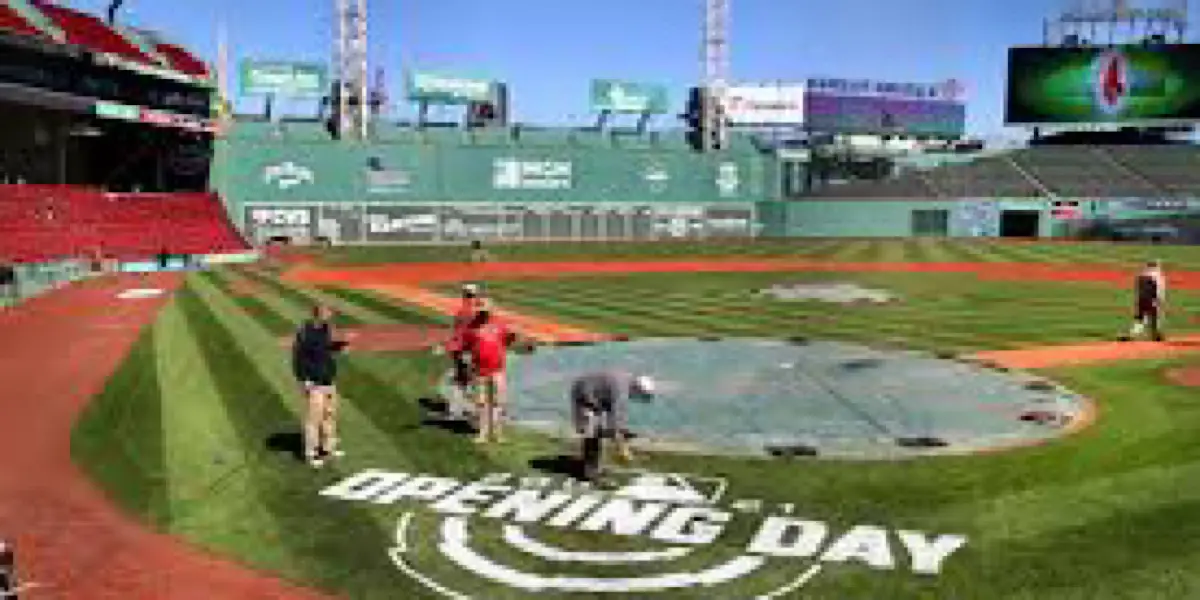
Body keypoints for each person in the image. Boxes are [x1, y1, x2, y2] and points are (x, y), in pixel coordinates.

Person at [292, 304, 350, 468]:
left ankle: (328, 448)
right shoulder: (305, 331)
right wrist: (304, 379)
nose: (330, 316)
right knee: (314, 418)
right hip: (314, 381)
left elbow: (325, 348)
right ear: (319, 314)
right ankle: (311, 453)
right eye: (328, 313)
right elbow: (298, 356)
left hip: (328, 380)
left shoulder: (326, 329)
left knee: (329, 415)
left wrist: (339, 346)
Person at [570, 372, 657, 482]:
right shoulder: (620, 392)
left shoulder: (626, 385)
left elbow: (617, 417)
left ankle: (595, 468)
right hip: (584, 395)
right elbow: (614, 424)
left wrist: (621, 433)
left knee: (600, 430)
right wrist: (622, 449)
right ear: (637, 389)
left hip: (597, 396)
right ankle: (590, 473)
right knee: (591, 434)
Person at [460, 300, 525, 444]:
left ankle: (497, 433)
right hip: (479, 371)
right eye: (480, 309)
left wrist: (514, 335)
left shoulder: (500, 325)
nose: (483, 312)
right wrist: (467, 365)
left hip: (497, 370)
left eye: (485, 309)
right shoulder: (471, 328)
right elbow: (466, 347)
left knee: (498, 402)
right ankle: (482, 433)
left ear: (491, 310)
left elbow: (507, 342)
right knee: (481, 403)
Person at [442, 283, 483, 418]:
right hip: (468, 350)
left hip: (459, 349)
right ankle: (474, 410)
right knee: (474, 380)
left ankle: (455, 410)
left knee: (461, 380)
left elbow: (456, 332)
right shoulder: (475, 313)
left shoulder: (461, 312)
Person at [1124, 260, 1167, 342]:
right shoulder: (1158, 275)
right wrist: (1159, 299)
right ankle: (1156, 335)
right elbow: (1159, 288)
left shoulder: (1141, 275)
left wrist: (1138, 299)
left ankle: (1133, 334)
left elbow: (1137, 288)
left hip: (1142, 298)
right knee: (1155, 317)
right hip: (1152, 298)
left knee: (1141, 318)